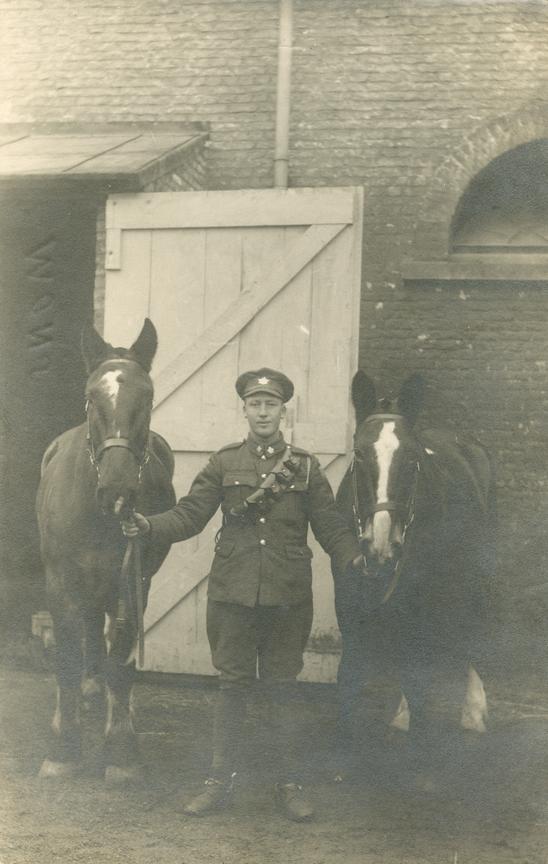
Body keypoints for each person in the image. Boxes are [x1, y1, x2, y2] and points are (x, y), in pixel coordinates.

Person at [122, 368, 361, 821]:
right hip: (232, 594)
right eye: (256, 404)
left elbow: (330, 525)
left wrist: (354, 558)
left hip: (288, 596)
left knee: (282, 689)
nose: (264, 412)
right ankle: (218, 782)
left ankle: (288, 783)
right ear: (245, 410)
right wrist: (150, 525)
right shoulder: (224, 463)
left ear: (283, 412)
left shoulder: (306, 467)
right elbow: (191, 515)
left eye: (271, 405)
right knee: (231, 687)